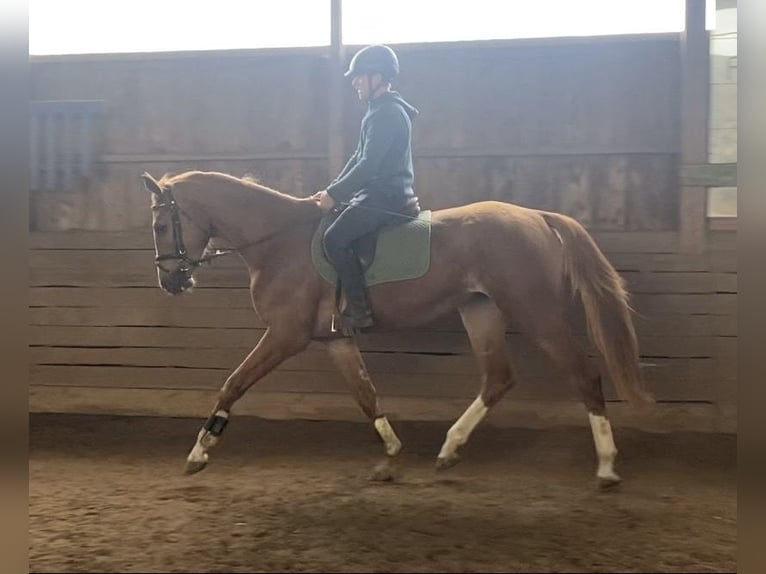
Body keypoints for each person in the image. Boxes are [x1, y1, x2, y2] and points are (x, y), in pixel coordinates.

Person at [314, 44, 421, 333]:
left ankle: (360, 312)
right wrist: (331, 190)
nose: (355, 82)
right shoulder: (378, 111)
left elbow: (369, 165)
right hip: (378, 193)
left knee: (334, 239)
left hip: (387, 197)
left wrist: (335, 195)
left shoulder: (387, 113)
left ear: (379, 77)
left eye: (361, 76)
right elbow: (357, 159)